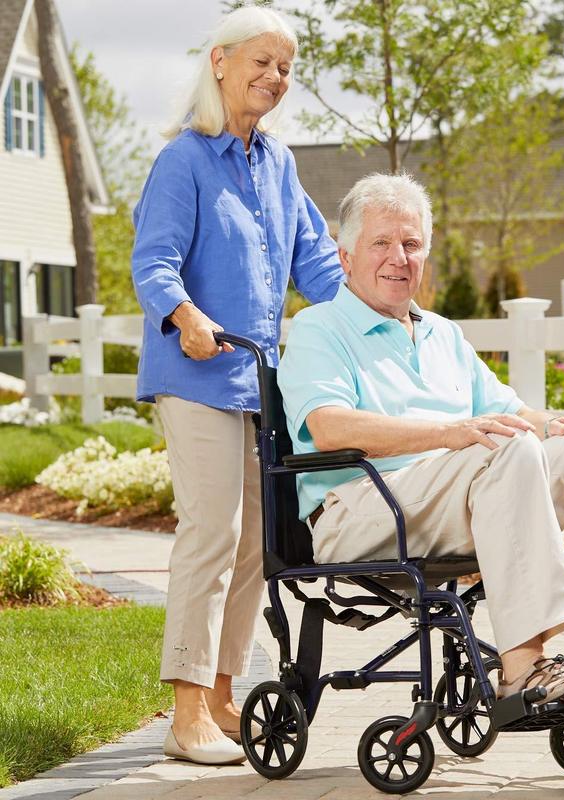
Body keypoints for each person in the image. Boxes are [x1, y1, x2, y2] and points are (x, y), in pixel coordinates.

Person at [277, 172, 564, 713]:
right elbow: (328, 425)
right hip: (363, 509)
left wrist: (558, 424)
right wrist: (450, 434)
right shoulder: (319, 329)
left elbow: (508, 413)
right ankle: (523, 669)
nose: (398, 258)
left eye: (411, 244)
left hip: (463, 492)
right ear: (346, 256)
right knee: (504, 450)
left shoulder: (441, 332)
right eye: (381, 243)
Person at [131, 7, 342, 765]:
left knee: (258, 545)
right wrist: (186, 315)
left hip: (259, 384)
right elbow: (152, 263)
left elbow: (317, 265)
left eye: (286, 68)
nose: (275, 78)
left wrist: (388, 302)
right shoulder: (183, 160)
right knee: (211, 533)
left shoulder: (278, 165)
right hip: (194, 376)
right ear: (220, 62)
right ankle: (186, 712)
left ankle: (223, 694)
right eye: (262, 62)